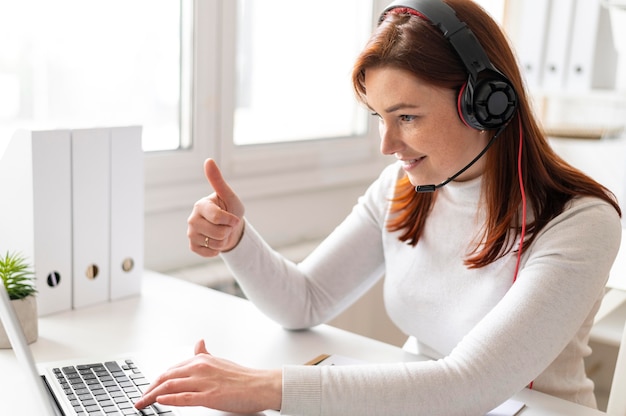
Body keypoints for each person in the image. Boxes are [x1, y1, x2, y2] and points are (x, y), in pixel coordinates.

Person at [135, 0, 623, 414]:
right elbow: (303, 302)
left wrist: (265, 387)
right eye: (378, 118)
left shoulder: (581, 222)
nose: (387, 145)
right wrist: (236, 239)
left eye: (407, 117)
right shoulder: (402, 188)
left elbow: (469, 384)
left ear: (486, 104)